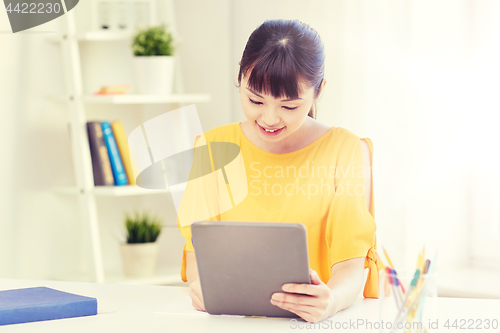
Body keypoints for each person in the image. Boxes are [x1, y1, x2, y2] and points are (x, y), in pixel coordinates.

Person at [176, 19, 384, 323]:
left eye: (289, 106)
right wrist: (201, 288)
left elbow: (351, 269)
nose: (269, 118)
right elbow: (198, 255)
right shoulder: (212, 148)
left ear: (319, 91)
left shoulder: (346, 150)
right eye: (255, 100)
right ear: (240, 77)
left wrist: (331, 301)